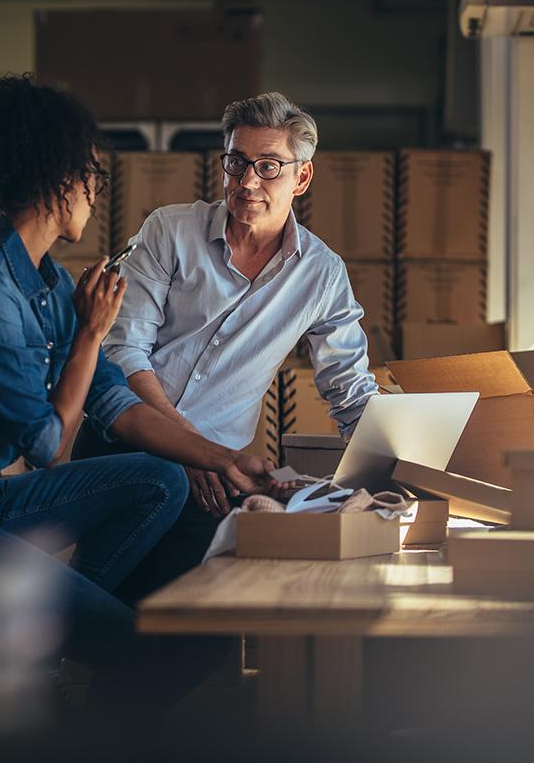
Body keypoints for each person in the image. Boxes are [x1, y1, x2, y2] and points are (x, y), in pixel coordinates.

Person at [0, 74, 280, 714]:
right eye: (93, 174)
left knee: (161, 480)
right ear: (61, 179)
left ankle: (43, 638)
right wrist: (90, 335)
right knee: (138, 648)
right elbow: (48, 447)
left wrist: (224, 460)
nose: (95, 190)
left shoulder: (46, 282)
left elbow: (115, 401)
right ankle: (57, 639)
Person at [74, 91, 379, 604]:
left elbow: (349, 390)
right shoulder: (170, 231)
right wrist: (193, 448)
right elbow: (122, 351)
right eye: (236, 163)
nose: (247, 182)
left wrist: (396, 465)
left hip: (219, 484)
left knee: (198, 630)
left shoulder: (322, 275)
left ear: (301, 178)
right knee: (105, 611)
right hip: (123, 445)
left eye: (268, 166)